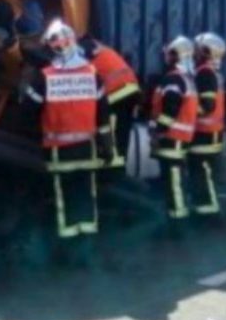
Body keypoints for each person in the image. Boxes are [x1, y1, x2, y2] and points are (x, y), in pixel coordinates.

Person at [23, 19, 113, 251]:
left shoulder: (45, 77)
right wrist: (107, 146)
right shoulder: (93, 74)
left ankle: (68, 244)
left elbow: (28, 111)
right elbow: (103, 114)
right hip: (87, 148)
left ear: (51, 47)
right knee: (86, 193)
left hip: (58, 151)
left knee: (64, 198)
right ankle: (87, 244)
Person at [150, 36, 199, 235]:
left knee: (173, 181)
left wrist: (158, 130)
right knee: (174, 181)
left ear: (176, 55)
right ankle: (175, 219)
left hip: (172, 138)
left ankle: (177, 224)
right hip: (180, 137)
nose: (166, 57)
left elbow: (171, 107)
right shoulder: (187, 78)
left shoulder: (173, 78)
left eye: (170, 53)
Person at [80, 34, 141, 170]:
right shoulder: (104, 50)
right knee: (122, 132)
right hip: (132, 90)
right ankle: (120, 164)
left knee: (111, 132)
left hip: (115, 94)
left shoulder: (84, 49)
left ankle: (112, 168)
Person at [188, 33, 226, 224]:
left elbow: (207, 105)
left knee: (201, 173)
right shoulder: (212, 72)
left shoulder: (204, 73)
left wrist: (186, 109)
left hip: (204, 133)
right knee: (203, 174)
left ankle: (210, 215)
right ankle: (205, 211)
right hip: (210, 132)